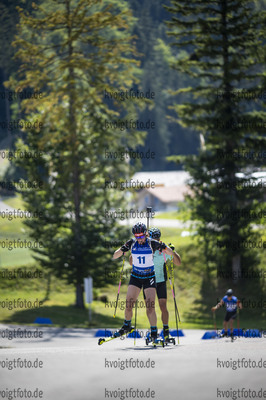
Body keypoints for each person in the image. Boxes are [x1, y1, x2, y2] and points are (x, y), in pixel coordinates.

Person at [112, 222, 175, 342]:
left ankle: (154, 333)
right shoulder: (132, 242)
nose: (139, 239)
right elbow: (115, 255)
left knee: (150, 307)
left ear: (146, 234)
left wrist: (165, 248)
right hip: (136, 276)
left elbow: (170, 253)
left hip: (149, 277)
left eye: (141, 236)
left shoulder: (152, 242)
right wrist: (122, 249)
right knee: (129, 303)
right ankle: (127, 325)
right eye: (137, 236)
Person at [147, 227, 181, 340]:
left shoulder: (163, 249)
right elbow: (132, 262)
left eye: (157, 238)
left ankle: (166, 331)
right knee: (150, 308)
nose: (156, 240)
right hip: (148, 282)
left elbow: (178, 263)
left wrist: (172, 251)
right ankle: (153, 332)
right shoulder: (146, 249)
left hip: (160, 281)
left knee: (163, 306)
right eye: (153, 238)